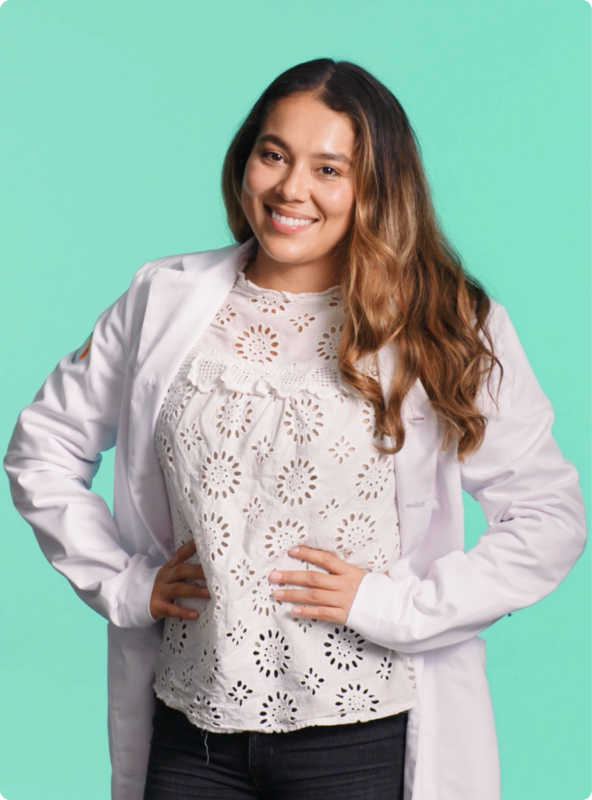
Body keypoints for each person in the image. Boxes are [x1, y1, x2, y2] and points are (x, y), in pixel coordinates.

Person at [3, 58, 586, 800]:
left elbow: (548, 517)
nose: (290, 189)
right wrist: (124, 583)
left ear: (376, 188)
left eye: (329, 168)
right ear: (245, 157)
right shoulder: (161, 298)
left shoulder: (447, 321)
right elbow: (41, 448)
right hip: (192, 734)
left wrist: (395, 607)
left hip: (365, 737)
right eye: (273, 154)